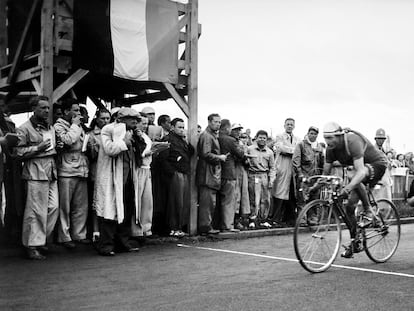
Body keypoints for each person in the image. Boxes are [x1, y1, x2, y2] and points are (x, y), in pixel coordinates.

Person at [322, 122, 388, 258]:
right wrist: (314, 186)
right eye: (325, 138)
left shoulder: (352, 141)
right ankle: (355, 242)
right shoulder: (330, 149)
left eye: (330, 138)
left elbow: (360, 173)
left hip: (377, 164)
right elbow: (325, 174)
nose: (327, 142)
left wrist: (347, 188)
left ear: (339, 135)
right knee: (350, 208)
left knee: (354, 176)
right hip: (361, 170)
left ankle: (369, 209)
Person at [94, 107, 143, 256]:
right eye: (131, 118)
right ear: (120, 119)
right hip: (112, 178)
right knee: (110, 211)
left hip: (128, 177)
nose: (135, 121)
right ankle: (106, 245)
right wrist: (124, 142)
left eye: (136, 118)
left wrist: (139, 140)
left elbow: (140, 153)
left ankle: (123, 242)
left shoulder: (133, 132)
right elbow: (110, 150)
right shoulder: (107, 129)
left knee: (127, 210)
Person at [16, 96, 59, 260]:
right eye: (43, 108)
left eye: (48, 108)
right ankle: (31, 245)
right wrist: (37, 148)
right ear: (34, 108)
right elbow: (17, 152)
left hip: (51, 169)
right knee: (34, 211)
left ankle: (40, 240)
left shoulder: (50, 127)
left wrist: (58, 145)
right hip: (35, 170)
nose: (47, 111)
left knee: (54, 207)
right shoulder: (24, 128)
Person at [54, 98, 90, 248]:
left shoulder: (79, 126)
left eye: (79, 111)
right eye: (75, 110)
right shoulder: (58, 126)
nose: (78, 114)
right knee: (65, 206)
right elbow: (68, 141)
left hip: (81, 168)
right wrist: (75, 126)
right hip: (67, 169)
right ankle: (64, 236)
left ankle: (79, 234)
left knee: (81, 205)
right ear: (66, 111)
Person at [161, 118, 194, 237]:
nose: (182, 130)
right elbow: (163, 158)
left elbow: (191, 152)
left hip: (184, 172)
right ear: (172, 127)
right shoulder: (167, 139)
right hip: (175, 174)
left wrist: (186, 140)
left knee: (183, 202)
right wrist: (172, 172)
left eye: (183, 127)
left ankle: (179, 226)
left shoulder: (182, 140)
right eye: (179, 127)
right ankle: (173, 227)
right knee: (175, 202)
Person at [196, 113, 227, 235]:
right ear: (209, 122)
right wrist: (220, 157)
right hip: (207, 174)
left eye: (219, 122)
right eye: (215, 122)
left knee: (210, 202)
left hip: (211, 173)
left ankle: (207, 226)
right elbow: (205, 153)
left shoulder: (212, 135)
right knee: (207, 203)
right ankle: (205, 227)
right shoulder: (207, 136)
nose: (218, 124)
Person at [217, 119, 246, 232]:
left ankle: (219, 224)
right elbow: (241, 154)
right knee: (229, 200)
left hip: (217, 173)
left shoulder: (216, 137)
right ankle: (228, 225)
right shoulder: (230, 140)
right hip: (229, 173)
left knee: (219, 200)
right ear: (227, 128)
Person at [292, 126, 324, 225]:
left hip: (315, 177)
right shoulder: (301, 145)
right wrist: (300, 174)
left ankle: (312, 219)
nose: (313, 135)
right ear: (308, 133)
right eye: (311, 133)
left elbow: (323, 162)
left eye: (315, 134)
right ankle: (302, 219)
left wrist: (321, 176)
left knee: (314, 198)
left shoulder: (319, 147)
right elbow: (296, 161)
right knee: (302, 198)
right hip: (304, 176)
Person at [270, 118, 300, 227]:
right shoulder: (279, 136)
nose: (290, 126)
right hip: (282, 168)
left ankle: (290, 219)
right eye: (288, 124)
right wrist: (294, 150)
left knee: (292, 195)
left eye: (292, 124)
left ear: (294, 126)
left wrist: (291, 150)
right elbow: (282, 149)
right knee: (279, 193)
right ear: (284, 125)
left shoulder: (297, 139)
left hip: (292, 170)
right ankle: (276, 219)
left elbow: (296, 151)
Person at [87, 109, 111, 241]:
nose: (106, 121)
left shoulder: (113, 133)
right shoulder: (91, 135)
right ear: (97, 119)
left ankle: (106, 230)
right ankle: (96, 230)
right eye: (103, 118)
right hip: (96, 171)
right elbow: (90, 155)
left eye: (108, 118)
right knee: (96, 202)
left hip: (110, 171)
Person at [131, 116, 155, 238]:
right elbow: (138, 152)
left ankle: (146, 227)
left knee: (147, 200)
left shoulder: (146, 136)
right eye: (143, 123)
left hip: (147, 168)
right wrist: (146, 153)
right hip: (138, 169)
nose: (145, 126)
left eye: (147, 123)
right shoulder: (135, 136)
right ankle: (136, 230)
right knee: (137, 199)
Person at [247, 130, 275, 229]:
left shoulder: (270, 152)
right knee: (254, 198)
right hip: (253, 175)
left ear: (266, 140)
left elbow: (272, 167)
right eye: (260, 137)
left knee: (265, 199)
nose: (262, 140)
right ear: (256, 138)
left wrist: (271, 179)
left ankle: (263, 219)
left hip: (264, 176)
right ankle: (252, 219)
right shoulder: (249, 149)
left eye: (264, 138)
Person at [231, 124, 250, 230]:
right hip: (234, 169)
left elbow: (246, 159)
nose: (238, 132)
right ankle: (234, 220)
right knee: (236, 195)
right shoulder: (231, 142)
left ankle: (242, 220)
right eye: (236, 130)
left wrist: (246, 160)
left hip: (243, 170)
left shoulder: (241, 143)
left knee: (244, 195)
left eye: (239, 130)